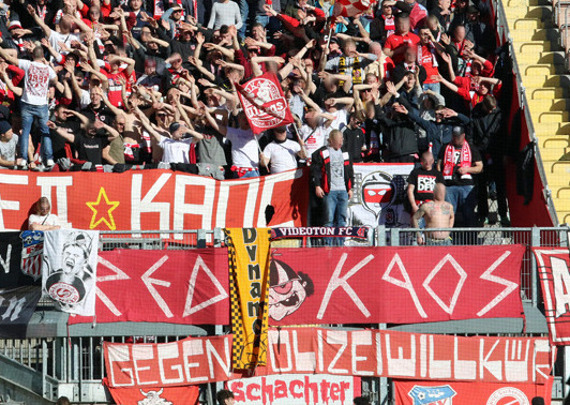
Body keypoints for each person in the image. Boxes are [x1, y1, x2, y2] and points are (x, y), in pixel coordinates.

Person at [0, 45, 60, 169]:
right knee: (45, 131)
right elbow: (55, 80)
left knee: (25, 132)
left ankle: (23, 159)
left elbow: (8, 58)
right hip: (41, 105)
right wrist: (47, 68)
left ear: (32, 55)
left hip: (27, 103)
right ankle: (49, 159)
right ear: (43, 56)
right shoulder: (48, 69)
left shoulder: (28, 64)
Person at [311, 130, 354, 245]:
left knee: (342, 220)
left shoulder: (345, 153)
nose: (341, 142)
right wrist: (317, 185)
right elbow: (315, 170)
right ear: (331, 140)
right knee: (328, 220)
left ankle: (340, 245)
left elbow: (350, 171)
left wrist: (350, 188)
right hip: (329, 191)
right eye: (339, 140)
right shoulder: (321, 153)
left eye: (342, 139)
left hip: (343, 190)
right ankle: (328, 246)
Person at [437, 125, 483, 227]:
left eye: (458, 136)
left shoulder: (471, 148)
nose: (455, 139)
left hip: (466, 185)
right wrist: (441, 179)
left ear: (463, 135)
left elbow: (480, 167)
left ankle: (470, 235)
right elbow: (439, 165)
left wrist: (467, 169)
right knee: (448, 213)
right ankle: (447, 234)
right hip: (449, 185)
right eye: (454, 136)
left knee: (468, 212)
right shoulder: (445, 147)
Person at [407, 150, 445, 214]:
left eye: (430, 161)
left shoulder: (438, 174)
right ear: (421, 160)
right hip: (418, 204)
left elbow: (442, 192)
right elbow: (410, 190)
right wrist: (413, 205)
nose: (427, 163)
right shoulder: (415, 172)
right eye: (425, 161)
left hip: (433, 205)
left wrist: (439, 205)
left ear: (433, 161)